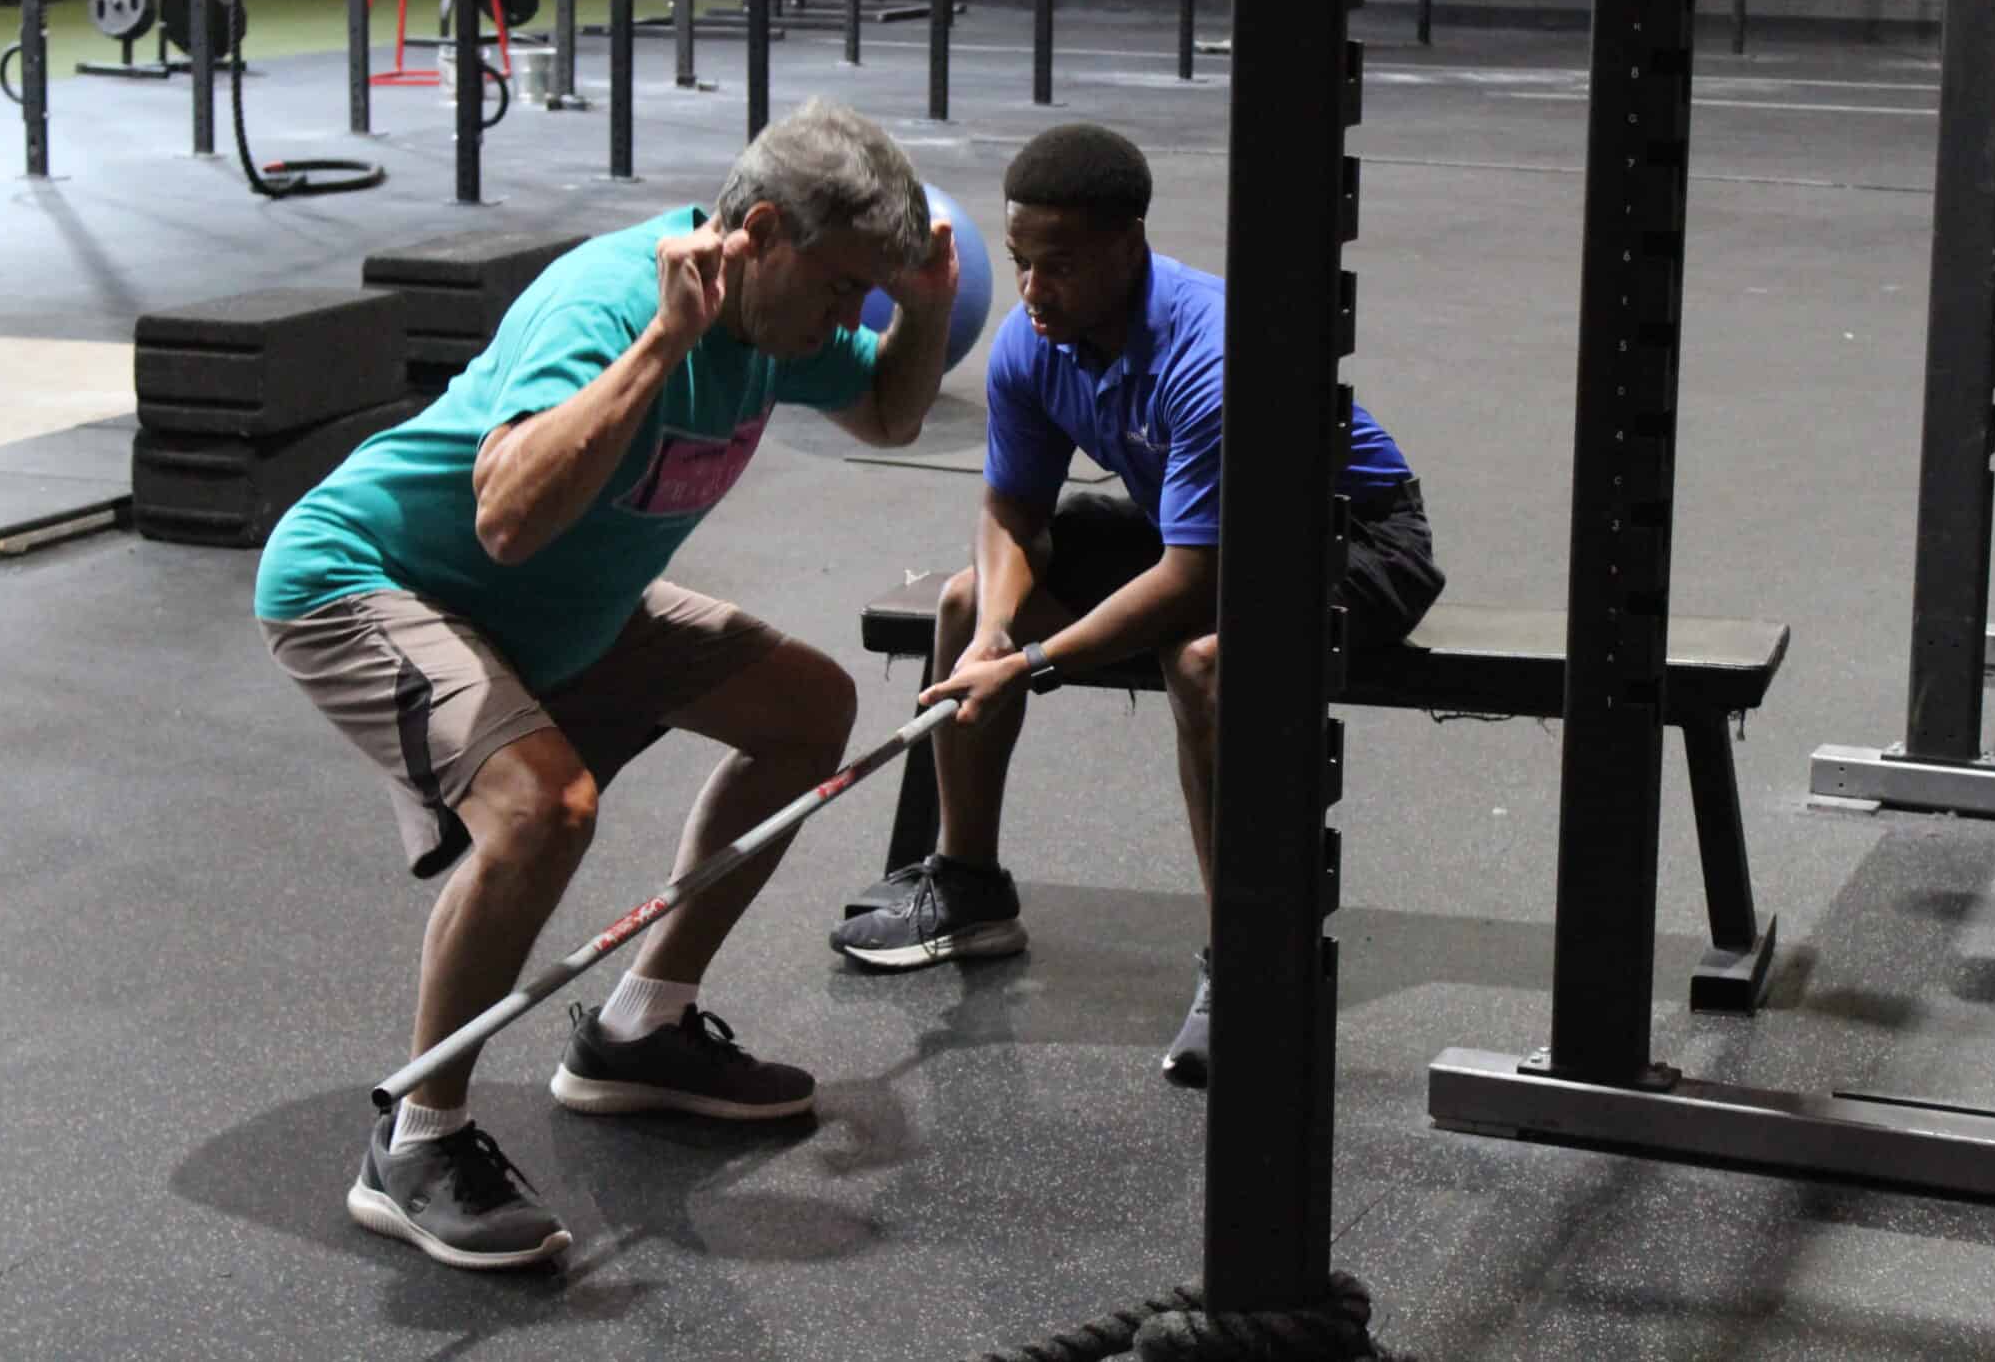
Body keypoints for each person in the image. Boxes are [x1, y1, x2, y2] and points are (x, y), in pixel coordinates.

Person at [256, 100, 956, 1270]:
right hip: (366, 580)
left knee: (806, 709)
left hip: (557, 613)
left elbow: (888, 411)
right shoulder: (616, 301)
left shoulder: (774, 322)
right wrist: (661, 348)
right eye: (843, 288)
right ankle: (417, 1137)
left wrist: (921, 312)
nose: (850, 317)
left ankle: (642, 1028)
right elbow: (508, 518)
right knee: (544, 810)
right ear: (765, 233)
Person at [827, 123, 1444, 1089]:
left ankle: (1243, 964)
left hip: (1349, 529)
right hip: (1190, 522)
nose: (1030, 290)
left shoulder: (1210, 348)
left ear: (1130, 244)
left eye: (1059, 266)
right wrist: (994, 631)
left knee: (1204, 660)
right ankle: (972, 886)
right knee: (959, 602)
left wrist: (1029, 665)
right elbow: (1010, 510)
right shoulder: (1036, 344)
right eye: (1022, 260)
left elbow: (1192, 584)